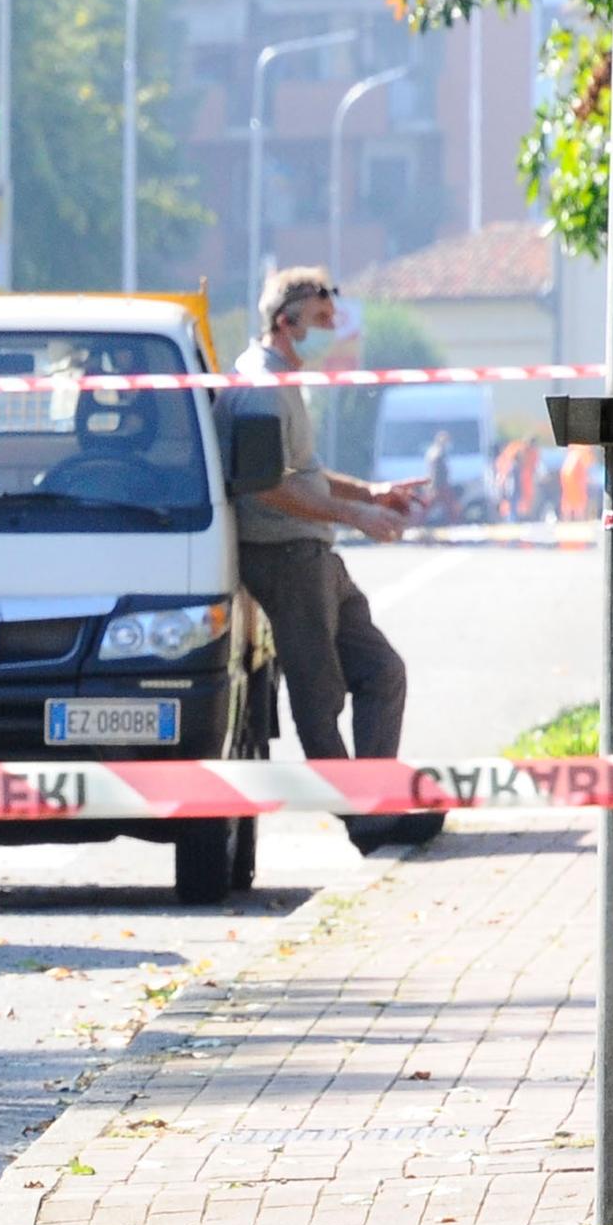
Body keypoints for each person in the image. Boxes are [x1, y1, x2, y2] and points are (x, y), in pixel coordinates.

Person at [225, 266, 433, 853]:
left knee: (381, 671)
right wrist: (357, 517)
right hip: (284, 555)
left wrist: (369, 494)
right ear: (286, 321)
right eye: (322, 320)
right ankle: (363, 822)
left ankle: (374, 800)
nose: (331, 331)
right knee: (319, 697)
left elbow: (303, 474)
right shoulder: (259, 386)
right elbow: (265, 485)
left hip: (311, 550)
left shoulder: (283, 379)